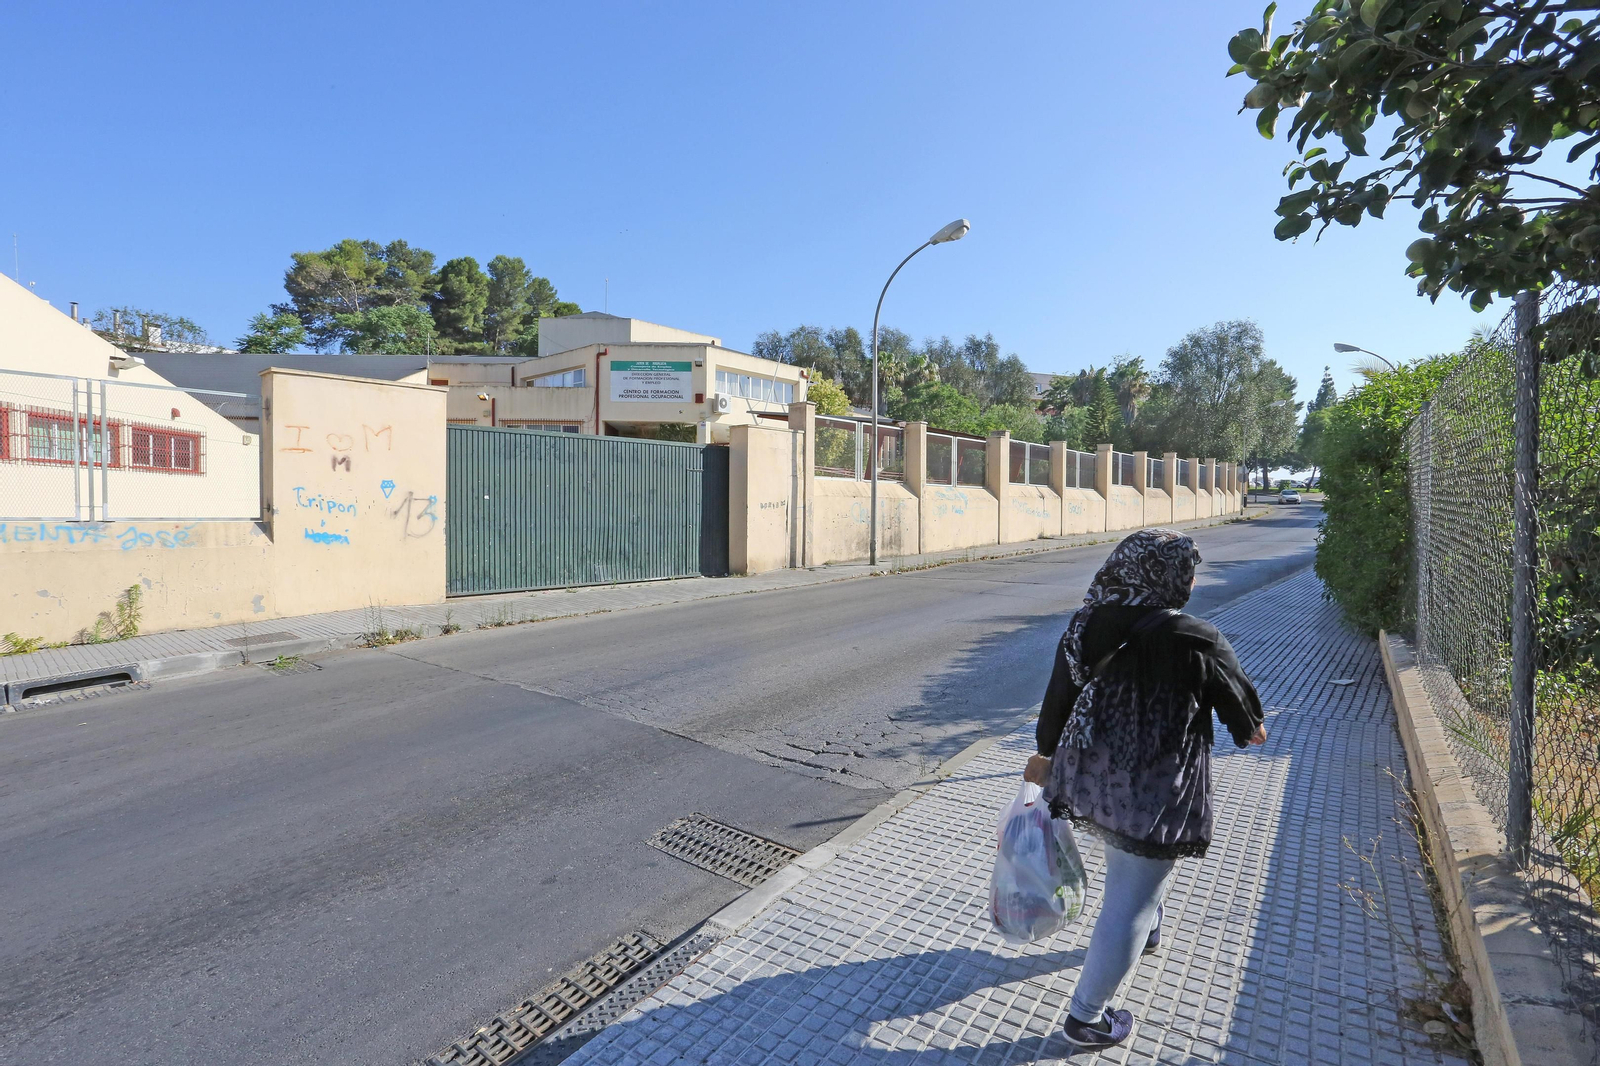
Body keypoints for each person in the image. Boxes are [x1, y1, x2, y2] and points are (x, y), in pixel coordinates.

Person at [1023, 528, 1265, 1051]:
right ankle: (1086, 1018)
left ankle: (1150, 927)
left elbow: (1056, 705)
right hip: (1155, 792)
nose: (1194, 579)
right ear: (1171, 576)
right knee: (1128, 899)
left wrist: (1045, 756)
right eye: (1188, 569)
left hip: (1086, 776)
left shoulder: (1087, 621)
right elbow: (1249, 730)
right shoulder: (1199, 639)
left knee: (1124, 865)